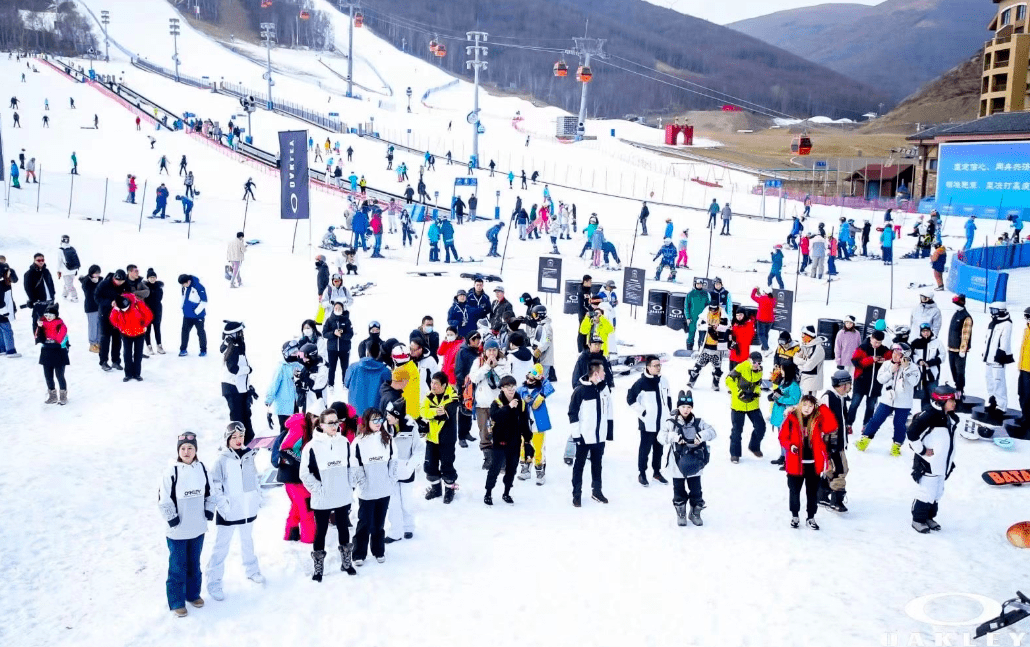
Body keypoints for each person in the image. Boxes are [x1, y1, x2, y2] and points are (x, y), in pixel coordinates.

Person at [157, 432, 216, 617]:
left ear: (196, 450)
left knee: (194, 563)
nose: (186, 451)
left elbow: (210, 493)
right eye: (183, 448)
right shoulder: (171, 472)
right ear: (178, 451)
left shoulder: (202, 468)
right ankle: (176, 602)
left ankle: (193, 594)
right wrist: (173, 520)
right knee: (177, 566)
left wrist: (207, 512)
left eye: (190, 448)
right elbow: (164, 499)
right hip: (178, 531)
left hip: (197, 528)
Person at [205, 422, 263, 602]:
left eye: (241, 436)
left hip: (247, 510)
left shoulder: (248, 455)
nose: (239, 440)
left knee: (248, 542)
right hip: (229, 513)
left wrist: (257, 498)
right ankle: (213, 582)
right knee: (221, 548)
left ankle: (252, 570)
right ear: (228, 439)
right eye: (234, 437)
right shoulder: (221, 460)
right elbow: (214, 487)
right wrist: (224, 508)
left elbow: (255, 478)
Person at [300, 409, 357, 581]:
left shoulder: (344, 442)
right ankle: (318, 568)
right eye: (330, 422)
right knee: (321, 531)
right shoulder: (311, 447)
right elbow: (304, 474)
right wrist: (319, 490)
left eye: (336, 421)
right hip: (322, 497)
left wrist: (350, 486)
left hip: (341, 494)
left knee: (343, 528)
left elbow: (351, 467)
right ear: (322, 425)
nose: (335, 425)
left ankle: (346, 562)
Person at [907, 385, 959, 533]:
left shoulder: (949, 417)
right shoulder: (929, 415)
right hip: (928, 464)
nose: (954, 403)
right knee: (927, 492)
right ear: (942, 401)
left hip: (942, 464)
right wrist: (922, 450)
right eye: (951, 400)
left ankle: (929, 517)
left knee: (937, 493)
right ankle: (918, 519)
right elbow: (911, 434)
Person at [659, 390, 715, 526]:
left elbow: (713, 432)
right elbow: (660, 437)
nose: (686, 410)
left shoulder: (698, 422)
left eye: (689, 407)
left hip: (695, 463)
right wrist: (674, 437)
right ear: (678, 407)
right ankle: (681, 512)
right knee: (678, 490)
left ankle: (695, 512)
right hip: (676, 463)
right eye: (683, 406)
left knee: (696, 490)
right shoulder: (670, 423)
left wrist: (701, 436)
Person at [855, 343, 920, 456]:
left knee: (899, 424)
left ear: (905, 355)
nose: (895, 356)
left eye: (898, 354)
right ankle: (864, 441)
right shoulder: (886, 364)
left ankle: (896, 446)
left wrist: (906, 370)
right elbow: (880, 379)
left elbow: (914, 382)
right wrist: (891, 371)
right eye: (894, 352)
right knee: (876, 419)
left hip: (903, 402)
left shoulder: (913, 367)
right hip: (887, 400)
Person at [779, 395, 833, 530]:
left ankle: (811, 517)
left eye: (810, 406)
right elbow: (782, 437)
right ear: (800, 405)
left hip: (814, 464)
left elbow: (831, 426)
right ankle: (795, 515)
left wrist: (822, 406)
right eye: (804, 405)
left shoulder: (818, 419)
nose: (807, 409)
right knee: (794, 491)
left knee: (812, 492)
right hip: (795, 464)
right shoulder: (791, 419)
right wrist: (790, 445)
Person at [350, 409, 395, 565]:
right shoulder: (359, 442)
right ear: (366, 422)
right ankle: (358, 554)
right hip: (367, 492)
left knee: (379, 523)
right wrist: (363, 483)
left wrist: (390, 480)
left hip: (384, 490)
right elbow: (355, 465)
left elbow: (393, 462)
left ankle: (378, 550)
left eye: (380, 420)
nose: (378, 423)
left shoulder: (388, 439)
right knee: (364, 523)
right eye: (374, 420)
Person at [568, 360, 614, 506]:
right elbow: (572, 413)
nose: (605, 374)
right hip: (584, 436)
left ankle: (597, 491)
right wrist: (576, 435)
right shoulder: (580, 391)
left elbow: (609, 409)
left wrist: (608, 431)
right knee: (579, 465)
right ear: (595, 374)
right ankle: (577, 493)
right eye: (602, 371)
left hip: (599, 436)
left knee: (597, 464)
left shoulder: (604, 389)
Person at [485, 375, 534, 505]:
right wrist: (508, 407)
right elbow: (495, 416)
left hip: (515, 442)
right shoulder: (497, 403)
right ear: (502, 388)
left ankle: (506, 492)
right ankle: (488, 492)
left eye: (513, 386)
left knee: (511, 469)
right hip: (499, 442)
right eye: (507, 387)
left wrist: (528, 441)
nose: (511, 389)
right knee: (495, 469)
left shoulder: (521, 403)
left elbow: (524, 423)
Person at [628, 355, 672, 486]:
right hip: (648, 423)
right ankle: (642, 473)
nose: (658, 368)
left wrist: (668, 413)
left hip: (662, 422)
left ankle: (657, 472)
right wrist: (643, 412)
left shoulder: (664, 381)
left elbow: (668, 399)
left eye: (659, 365)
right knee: (645, 450)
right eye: (655, 366)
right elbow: (630, 399)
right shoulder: (641, 383)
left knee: (659, 449)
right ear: (648, 367)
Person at [384, 399, 423, 543]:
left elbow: (419, 449)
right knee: (393, 503)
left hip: (406, 472)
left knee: (407, 502)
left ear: (398, 416)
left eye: (390, 415)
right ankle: (395, 531)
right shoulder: (384, 428)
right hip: (390, 473)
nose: (387, 417)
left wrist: (410, 465)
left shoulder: (411, 428)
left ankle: (408, 527)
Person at [421, 372, 460, 504]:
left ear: (444, 385)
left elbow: (446, 414)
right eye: (432, 382)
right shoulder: (429, 396)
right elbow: (423, 411)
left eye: (436, 384)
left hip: (447, 438)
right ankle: (436, 488)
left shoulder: (453, 396)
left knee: (447, 465)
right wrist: (434, 412)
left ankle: (450, 489)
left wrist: (435, 414)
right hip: (432, 438)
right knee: (430, 465)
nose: (433, 386)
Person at [817, 370, 852, 512]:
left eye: (848, 384)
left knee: (833, 469)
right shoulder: (828, 397)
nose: (846, 387)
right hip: (831, 443)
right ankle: (836, 500)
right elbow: (820, 421)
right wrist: (825, 444)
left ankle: (822, 494)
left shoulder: (841, 397)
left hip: (839, 442)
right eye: (843, 385)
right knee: (840, 469)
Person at [516, 364, 554, 484]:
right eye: (528, 377)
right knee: (523, 446)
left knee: (538, 448)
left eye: (532, 378)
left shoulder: (542, 387)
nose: (529, 380)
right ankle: (525, 467)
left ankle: (539, 469)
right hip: (524, 423)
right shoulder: (521, 389)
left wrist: (541, 396)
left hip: (538, 423)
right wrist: (523, 402)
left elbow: (549, 386)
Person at [726, 351, 767, 463]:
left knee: (761, 426)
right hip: (738, 404)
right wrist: (738, 392)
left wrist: (755, 393)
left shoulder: (759, 371)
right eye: (754, 362)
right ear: (749, 360)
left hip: (752, 403)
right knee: (737, 430)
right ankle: (735, 454)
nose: (756, 364)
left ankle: (754, 446)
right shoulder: (741, 367)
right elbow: (728, 380)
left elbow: (758, 385)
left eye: (759, 362)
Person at [220, 321, 255, 443]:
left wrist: (249, 386)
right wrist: (248, 370)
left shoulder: (235, 346)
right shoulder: (233, 348)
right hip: (233, 388)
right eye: (240, 332)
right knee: (238, 417)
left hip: (239, 387)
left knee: (245, 414)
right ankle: (237, 443)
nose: (242, 334)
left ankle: (248, 440)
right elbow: (233, 368)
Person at [110, 293, 153, 382]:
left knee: (138, 354)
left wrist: (144, 325)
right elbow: (113, 319)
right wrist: (121, 327)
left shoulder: (138, 304)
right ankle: (128, 374)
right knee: (127, 354)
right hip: (126, 334)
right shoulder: (117, 307)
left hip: (139, 333)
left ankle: (137, 374)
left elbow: (148, 314)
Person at [983, 301, 1014, 416]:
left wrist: (1000, 355)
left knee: (998, 382)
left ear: (1001, 311)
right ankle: (992, 400)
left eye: (995, 310)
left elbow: (1004, 341)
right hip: (989, 357)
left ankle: (1001, 405)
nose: (993, 313)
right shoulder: (992, 323)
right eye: (992, 310)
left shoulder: (1007, 323)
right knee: (989, 380)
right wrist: (985, 354)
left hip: (997, 358)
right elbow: (988, 340)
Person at [689, 300, 728, 390]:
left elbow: (727, 327)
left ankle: (715, 384)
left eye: (715, 309)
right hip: (705, 345)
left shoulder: (723, 314)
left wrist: (718, 327)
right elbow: (698, 325)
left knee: (717, 369)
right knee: (697, 366)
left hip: (717, 347)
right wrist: (708, 327)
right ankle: (691, 381)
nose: (713, 311)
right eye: (712, 309)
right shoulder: (705, 313)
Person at [35, 303, 70, 404]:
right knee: (48, 375)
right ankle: (52, 395)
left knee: (60, 375)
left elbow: (62, 336)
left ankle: (63, 395)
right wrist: (39, 327)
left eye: (51, 316)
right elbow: (37, 336)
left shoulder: (60, 324)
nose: (48, 318)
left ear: (55, 315)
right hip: (46, 351)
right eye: (46, 315)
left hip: (58, 351)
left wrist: (54, 341)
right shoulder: (42, 324)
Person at [323, 301, 354, 393]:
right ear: (333, 309)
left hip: (344, 348)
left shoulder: (347, 321)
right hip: (332, 348)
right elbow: (324, 333)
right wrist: (333, 333)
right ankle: (331, 384)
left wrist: (342, 335)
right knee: (332, 367)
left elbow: (350, 334)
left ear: (342, 309)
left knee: (345, 367)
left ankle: (345, 383)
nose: (337, 310)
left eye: (339, 308)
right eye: (336, 308)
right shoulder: (329, 320)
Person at [911, 323, 942, 411]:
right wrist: (919, 361)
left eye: (927, 331)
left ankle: (934, 416)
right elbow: (911, 354)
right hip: (920, 374)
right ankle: (924, 414)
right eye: (924, 331)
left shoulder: (937, 342)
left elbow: (942, 356)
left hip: (933, 374)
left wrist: (931, 363)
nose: (926, 333)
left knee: (934, 396)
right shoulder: (915, 342)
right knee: (923, 397)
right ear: (921, 332)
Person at [946, 294, 973, 397]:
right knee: (953, 371)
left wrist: (963, 349)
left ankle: (960, 392)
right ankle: (957, 389)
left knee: (960, 372)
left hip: (959, 351)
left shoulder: (966, 317)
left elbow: (966, 334)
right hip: (951, 349)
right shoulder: (956, 314)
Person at [23, 253, 56, 334]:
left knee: (51, 320)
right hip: (39, 302)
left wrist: (53, 294)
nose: (41, 262)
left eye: (42, 260)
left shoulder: (46, 271)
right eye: (38, 260)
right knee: (38, 321)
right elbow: (28, 288)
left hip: (50, 300)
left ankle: (50, 336)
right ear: (34, 261)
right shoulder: (30, 273)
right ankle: (38, 338)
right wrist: (34, 299)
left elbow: (51, 283)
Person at [177, 274, 208, 357]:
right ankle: (183, 349)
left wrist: (196, 312)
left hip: (198, 316)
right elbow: (183, 296)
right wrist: (182, 306)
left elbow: (204, 301)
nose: (183, 286)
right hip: (187, 315)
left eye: (184, 284)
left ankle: (203, 350)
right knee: (184, 332)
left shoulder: (199, 287)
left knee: (200, 332)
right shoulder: (184, 287)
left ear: (188, 281)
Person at [794, 326, 826, 396]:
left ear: (809, 336)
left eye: (803, 335)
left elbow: (809, 367)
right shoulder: (804, 346)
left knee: (809, 403)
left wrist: (800, 365)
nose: (802, 337)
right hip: (804, 379)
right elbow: (795, 359)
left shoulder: (818, 349)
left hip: (812, 382)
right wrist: (804, 362)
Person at [55, 235, 80, 303]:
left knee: (69, 284)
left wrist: (58, 271)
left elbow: (59, 262)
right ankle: (64, 295)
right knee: (68, 283)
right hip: (74, 269)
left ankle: (75, 297)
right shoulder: (72, 248)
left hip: (66, 271)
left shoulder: (60, 250)